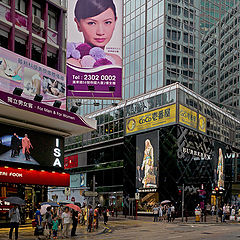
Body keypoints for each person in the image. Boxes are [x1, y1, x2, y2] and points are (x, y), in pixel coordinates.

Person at [68, 0, 121, 67]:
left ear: (115, 22)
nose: (100, 32)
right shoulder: (72, 63)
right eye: (91, 23)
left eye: (107, 22)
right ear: (78, 24)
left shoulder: (116, 60)